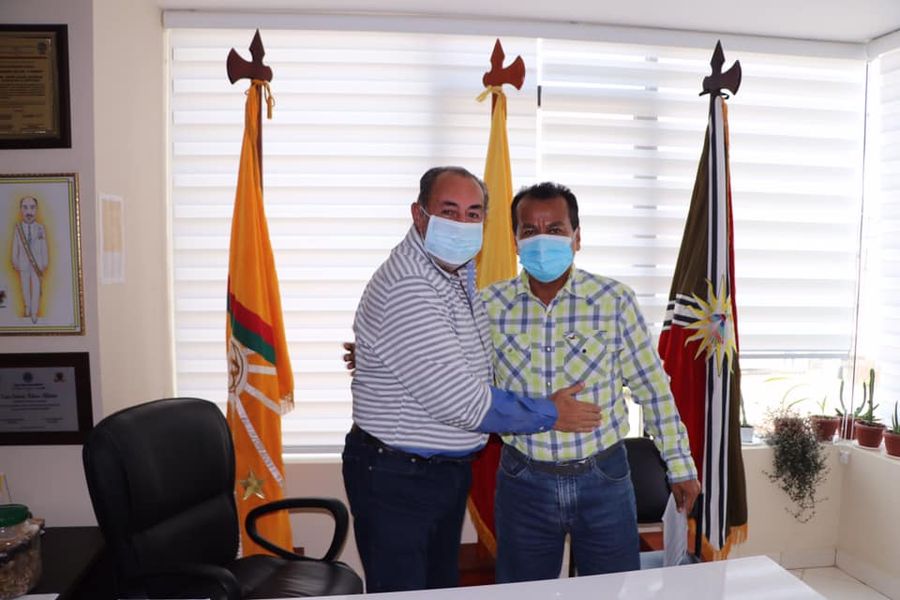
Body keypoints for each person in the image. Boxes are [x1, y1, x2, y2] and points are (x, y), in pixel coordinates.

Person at [342, 166, 601, 593]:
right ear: (420, 215)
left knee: (438, 588)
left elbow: (469, 361)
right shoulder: (411, 285)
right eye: (449, 211)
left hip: (433, 473)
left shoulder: (454, 273)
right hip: (398, 477)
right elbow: (464, 402)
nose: (462, 224)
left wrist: (381, 356)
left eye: (473, 213)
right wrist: (551, 412)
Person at [486, 182, 699, 582]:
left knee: (610, 589)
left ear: (577, 238)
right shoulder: (488, 306)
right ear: (515, 241)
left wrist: (680, 464)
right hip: (524, 481)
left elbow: (652, 387)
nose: (542, 240)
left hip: (603, 478)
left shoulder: (613, 300)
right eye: (530, 231)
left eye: (556, 229)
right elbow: (475, 397)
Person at [11, 196, 48, 324]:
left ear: (36, 209)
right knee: (25, 286)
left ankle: (34, 312)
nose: (29, 212)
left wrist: (45, 261)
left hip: (37, 263)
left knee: (36, 287)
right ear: (21, 209)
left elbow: (43, 245)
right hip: (23, 263)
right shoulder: (18, 228)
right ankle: (27, 306)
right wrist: (14, 259)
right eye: (25, 208)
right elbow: (15, 245)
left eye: (32, 208)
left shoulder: (40, 228)